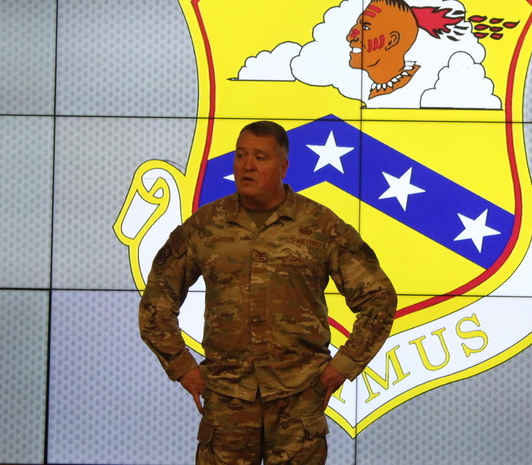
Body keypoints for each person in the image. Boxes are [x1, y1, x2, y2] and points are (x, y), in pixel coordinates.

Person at [139, 120, 397, 464]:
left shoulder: (319, 225)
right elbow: (157, 299)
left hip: (299, 403)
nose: (247, 165)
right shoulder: (206, 226)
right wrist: (182, 365)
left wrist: (344, 365)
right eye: (240, 155)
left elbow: (379, 298)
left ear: (284, 167)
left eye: (260, 157)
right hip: (227, 404)